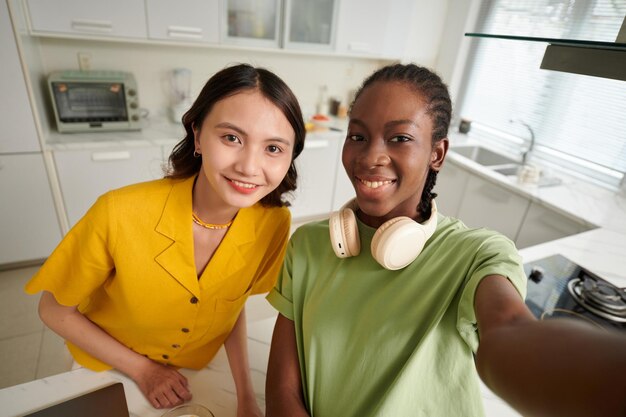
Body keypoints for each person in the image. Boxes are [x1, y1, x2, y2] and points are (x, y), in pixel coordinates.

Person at [265, 63, 626, 417]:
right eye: (357, 136)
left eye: (400, 138)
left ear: (436, 153)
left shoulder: (477, 254)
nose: (371, 155)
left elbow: (509, 332)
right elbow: (282, 389)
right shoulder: (308, 245)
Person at [25, 63, 305, 416]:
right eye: (232, 138)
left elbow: (232, 308)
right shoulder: (118, 211)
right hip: (104, 363)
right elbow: (53, 310)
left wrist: (246, 395)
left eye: (274, 148)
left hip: (197, 369)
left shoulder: (274, 222)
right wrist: (144, 370)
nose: (250, 167)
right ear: (198, 134)